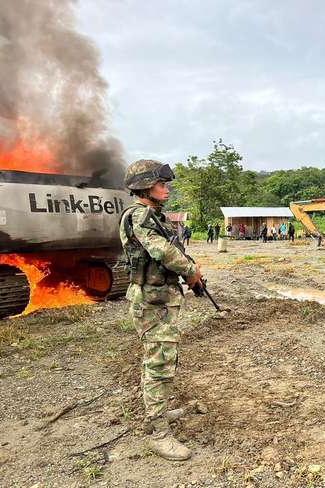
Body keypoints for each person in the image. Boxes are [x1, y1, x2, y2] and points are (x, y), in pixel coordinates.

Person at [119, 159, 202, 461]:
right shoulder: (139, 216)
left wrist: (191, 273)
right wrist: (191, 270)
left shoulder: (153, 216)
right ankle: (159, 434)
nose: (166, 189)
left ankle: (160, 413)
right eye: (161, 184)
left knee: (162, 361)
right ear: (144, 186)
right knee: (158, 365)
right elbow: (162, 251)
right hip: (152, 303)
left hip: (160, 300)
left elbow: (170, 248)